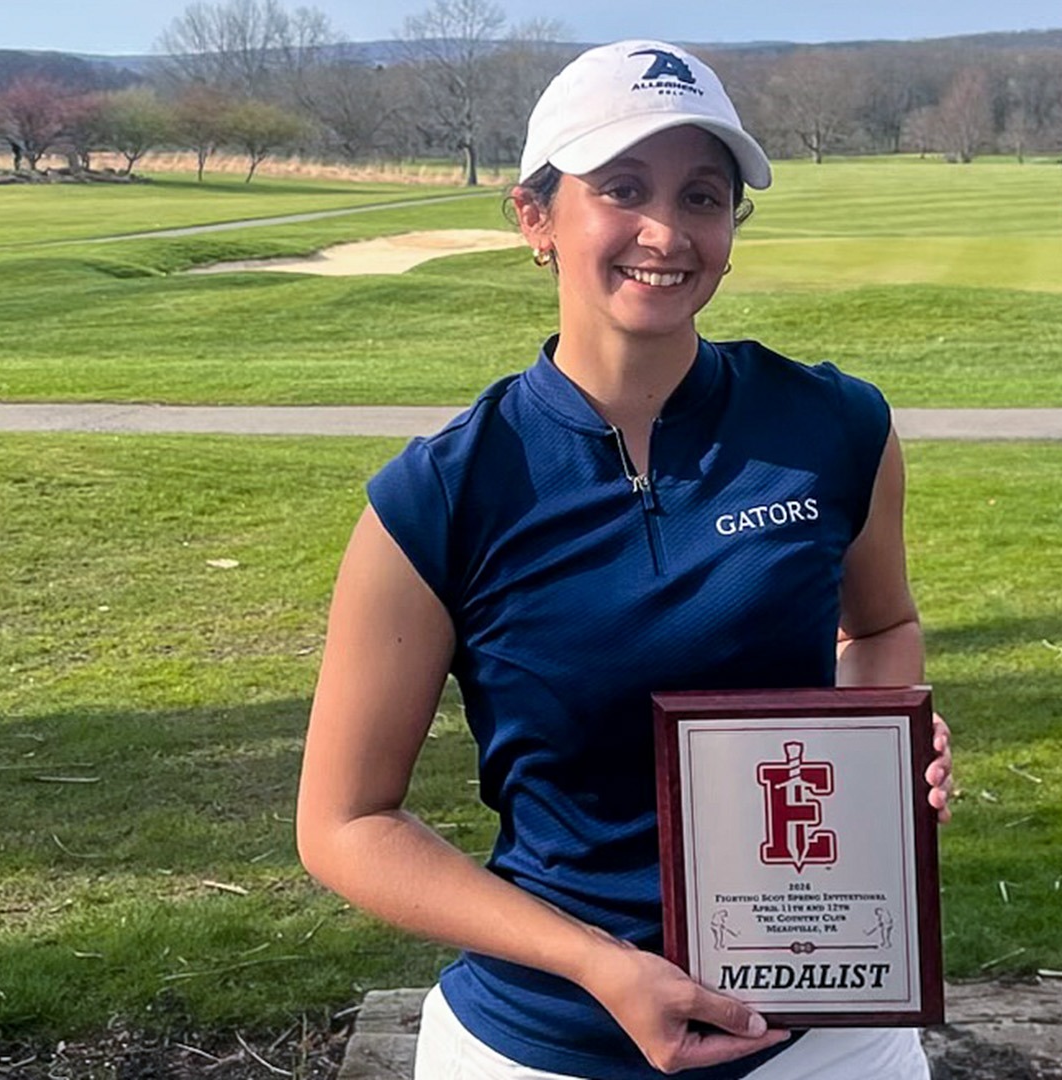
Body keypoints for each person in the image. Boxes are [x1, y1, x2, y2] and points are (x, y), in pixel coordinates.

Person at [296, 39, 952, 1080]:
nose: (666, 232)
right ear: (536, 218)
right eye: (622, 189)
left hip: (823, 1031)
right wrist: (599, 964)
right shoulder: (440, 495)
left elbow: (878, 629)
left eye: (704, 196)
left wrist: (878, 753)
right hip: (544, 1040)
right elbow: (345, 825)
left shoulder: (834, 426)